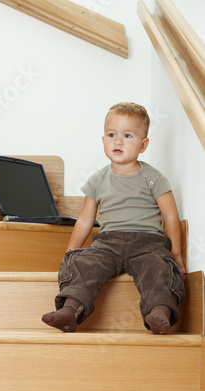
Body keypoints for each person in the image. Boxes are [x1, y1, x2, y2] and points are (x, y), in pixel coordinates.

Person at [42, 102, 185, 334]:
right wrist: (69, 252)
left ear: (143, 144)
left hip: (148, 243)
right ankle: (71, 311)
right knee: (85, 264)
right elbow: (85, 221)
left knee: (157, 268)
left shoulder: (153, 178)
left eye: (127, 135)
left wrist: (176, 254)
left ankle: (159, 312)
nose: (118, 141)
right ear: (103, 141)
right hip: (107, 242)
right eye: (111, 134)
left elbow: (170, 217)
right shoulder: (97, 180)